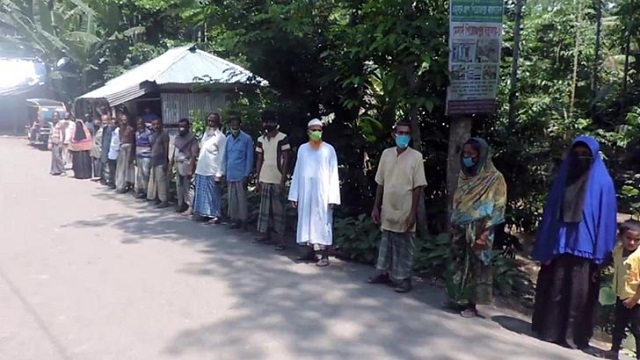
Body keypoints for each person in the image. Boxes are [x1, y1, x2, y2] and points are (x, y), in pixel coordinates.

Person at [531, 136, 617, 349]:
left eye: (585, 154)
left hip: (586, 249)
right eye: (576, 153)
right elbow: (550, 214)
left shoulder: (603, 183)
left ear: (594, 156)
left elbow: (606, 220)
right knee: (556, 288)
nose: (580, 158)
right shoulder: (563, 178)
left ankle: (572, 337)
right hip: (560, 245)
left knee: (579, 294)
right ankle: (549, 331)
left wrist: (603, 254)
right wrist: (546, 244)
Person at [444, 138, 507, 317]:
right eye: (465, 154)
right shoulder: (465, 176)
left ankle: (472, 304)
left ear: (482, 156)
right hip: (460, 226)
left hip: (480, 228)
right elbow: (458, 200)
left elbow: (498, 207)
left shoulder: (495, 178)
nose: (467, 158)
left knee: (475, 266)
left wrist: (484, 234)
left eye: (471, 155)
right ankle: (455, 298)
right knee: (457, 263)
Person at [367, 122, 427, 293]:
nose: (403, 136)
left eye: (406, 133)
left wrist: (413, 213)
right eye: (400, 132)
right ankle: (384, 273)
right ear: (394, 135)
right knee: (387, 241)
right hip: (388, 206)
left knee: (405, 244)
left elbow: (418, 187)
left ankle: (405, 279)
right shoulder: (386, 154)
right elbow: (380, 182)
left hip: (406, 207)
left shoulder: (416, 157)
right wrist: (376, 207)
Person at [288, 118, 340, 264]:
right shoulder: (303, 149)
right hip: (306, 193)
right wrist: (294, 194)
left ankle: (323, 255)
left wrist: (333, 198)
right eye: (314, 130)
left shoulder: (329, 150)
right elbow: (297, 172)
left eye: (319, 130)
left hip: (323, 195)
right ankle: (309, 251)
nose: (317, 132)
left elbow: (333, 174)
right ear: (308, 132)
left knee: (323, 223)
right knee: (306, 221)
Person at [255, 110, 291, 247]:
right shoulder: (260, 139)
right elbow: (259, 159)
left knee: (278, 211)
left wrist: (283, 180)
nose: (267, 124)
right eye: (265, 121)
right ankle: (264, 234)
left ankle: (281, 239)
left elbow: (286, 159)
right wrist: (258, 179)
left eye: (270, 121)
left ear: (275, 122)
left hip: (277, 178)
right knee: (264, 209)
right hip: (265, 177)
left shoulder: (283, 138)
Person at [605, 220, 640, 360]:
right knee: (618, 324)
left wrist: (634, 299)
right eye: (628, 238)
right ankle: (614, 351)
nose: (632, 243)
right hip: (622, 295)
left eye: (637, 240)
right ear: (621, 237)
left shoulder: (638, 257)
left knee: (637, 329)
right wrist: (598, 271)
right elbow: (611, 261)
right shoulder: (618, 251)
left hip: (636, 300)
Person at [193, 113, 226, 223]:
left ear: (218, 122)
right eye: (209, 121)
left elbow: (222, 156)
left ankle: (215, 216)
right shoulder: (206, 134)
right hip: (201, 169)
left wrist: (219, 174)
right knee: (203, 195)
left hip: (212, 171)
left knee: (213, 195)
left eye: (213, 121)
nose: (211, 123)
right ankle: (205, 214)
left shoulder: (221, 137)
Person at [223, 115, 254, 230]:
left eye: (236, 125)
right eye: (232, 125)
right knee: (232, 200)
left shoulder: (247, 139)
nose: (234, 127)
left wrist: (247, 174)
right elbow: (225, 157)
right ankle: (235, 220)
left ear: (240, 125)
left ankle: (243, 221)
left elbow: (249, 158)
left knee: (242, 200)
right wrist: (224, 172)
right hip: (230, 174)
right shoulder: (228, 139)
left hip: (241, 174)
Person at [171, 118, 199, 213]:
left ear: (188, 127)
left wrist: (191, 168)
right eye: (180, 126)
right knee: (179, 186)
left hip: (187, 164)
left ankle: (190, 207)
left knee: (188, 187)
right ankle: (181, 204)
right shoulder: (177, 137)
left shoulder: (192, 138)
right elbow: (174, 151)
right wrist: (171, 164)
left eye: (184, 126)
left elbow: (194, 154)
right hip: (178, 164)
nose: (181, 128)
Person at [147, 119, 170, 208]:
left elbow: (166, 148)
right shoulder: (153, 135)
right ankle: (157, 198)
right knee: (155, 181)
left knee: (161, 181)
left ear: (161, 124)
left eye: (158, 124)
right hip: (154, 160)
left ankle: (164, 200)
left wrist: (165, 162)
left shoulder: (164, 135)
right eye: (154, 124)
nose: (156, 126)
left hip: (161, 161)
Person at [115, 114, 135, 194]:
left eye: (125, 119)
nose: (124, 121)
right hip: (122, 148)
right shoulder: (120, 129)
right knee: (121, 168)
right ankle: (121, 185)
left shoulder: (130, 129)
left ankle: (129, 185)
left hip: (128, 148)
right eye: (122, 119)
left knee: (128, 167)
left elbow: (132, 141)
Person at [134, 118, 152, 199]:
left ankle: (148, 192)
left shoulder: (148, 133)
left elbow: (152, 144)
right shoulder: (137, 133)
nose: (139, 126)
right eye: (138, 124)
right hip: (139, 156)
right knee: (140, 175)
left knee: (146, 174)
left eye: (141, 124)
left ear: (144, 124)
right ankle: (142, 191)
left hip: (147, 156)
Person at [106, 118, 120, 189]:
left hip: (116, 154)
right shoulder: (112, 132)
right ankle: (112, 183)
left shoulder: (118, 132)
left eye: (113, 123)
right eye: (110, 123)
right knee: (111, 170)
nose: (111, 125)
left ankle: (115, 184)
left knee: (115, 170)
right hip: (111, 154)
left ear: (116, 124)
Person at [90, 117, 103, 181]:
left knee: (98, 163)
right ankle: (96, 175)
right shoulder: (95, 131)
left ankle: (99, 176)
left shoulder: (101, 131)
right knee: (95, 163)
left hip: (99, 149)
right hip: (94, 150)